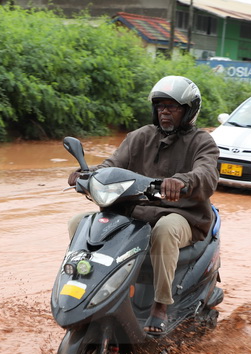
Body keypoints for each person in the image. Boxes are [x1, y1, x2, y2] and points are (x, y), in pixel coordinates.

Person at [67, 76, 220, 335]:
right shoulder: (140, 137)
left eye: (172, 107)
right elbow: (112, 165)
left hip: (182, 214)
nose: (164, 112)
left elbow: (206, 173)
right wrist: (87, 175)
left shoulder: (202, 142)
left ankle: (160, 305)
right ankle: (84, 288)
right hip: (134, 212)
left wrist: (182, 182)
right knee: (81, 223)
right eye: (160, 106)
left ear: (189, 111)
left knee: (165, 230)